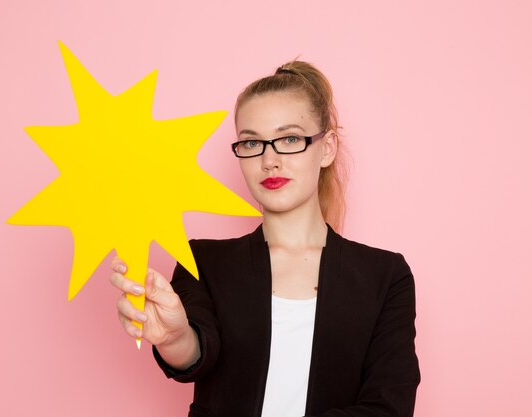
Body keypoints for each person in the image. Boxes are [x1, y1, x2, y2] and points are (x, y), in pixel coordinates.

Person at [109, 61, 420, 417]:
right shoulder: (202, 260)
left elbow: (389, 405)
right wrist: (174, 338)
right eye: (252, 142)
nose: (269, 160)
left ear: (328, 147)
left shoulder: (385, 275)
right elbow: (197, 352)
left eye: (289, 139)